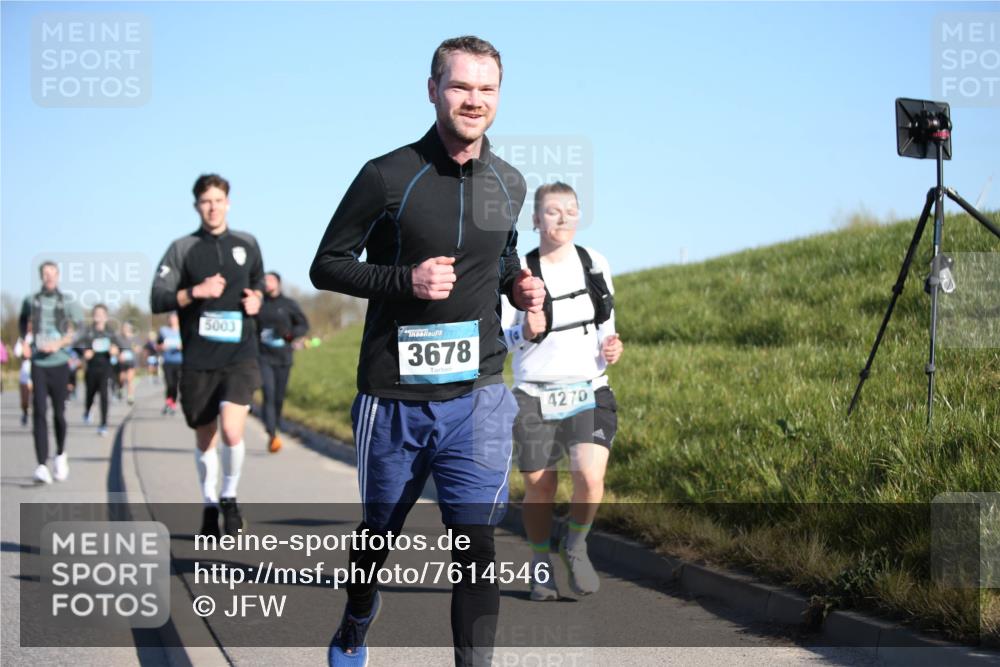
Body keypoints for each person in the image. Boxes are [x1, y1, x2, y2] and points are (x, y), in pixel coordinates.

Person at [310, 35, 544, 667]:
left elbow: (497, 258)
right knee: (378, 537)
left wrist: (519, 284)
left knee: (474, 544)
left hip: (478, 396)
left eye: (486, 88)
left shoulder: (510, 182)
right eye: (461, 86)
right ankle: (358, 616)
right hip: (394, 397)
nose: (474, 100)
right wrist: (403, 281)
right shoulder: (386, 175)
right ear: (433, 89)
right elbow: (326, 266)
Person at [500, 182, 624, 601]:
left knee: (590, 476)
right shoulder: (518, 270)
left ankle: (575, 545)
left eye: (571, 210)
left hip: (589, 388)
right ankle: (539, 562)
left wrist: (613, 346)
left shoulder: (595, 262)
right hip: (533, 393)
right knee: (541, 486)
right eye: (553, 211)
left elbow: (607, 326)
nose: (564, 217)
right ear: (535, 220)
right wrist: (523, 331)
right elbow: (498, 336)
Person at [151, 173, 265, 539]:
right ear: (197, 206)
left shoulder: (247, 243)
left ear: (228, 202)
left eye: (218, 200)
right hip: (199, 360)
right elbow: (158, 298)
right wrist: (194, 291)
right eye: (205, 201)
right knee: (206, 438)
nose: (212, 207)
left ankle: (229, 496)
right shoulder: (182, 248)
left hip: (240, 354)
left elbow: (260, 282)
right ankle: (209, 503)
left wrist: (257, 299)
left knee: (233, 430)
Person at [18, 261, 82, 483]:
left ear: (58, 276)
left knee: (58, 414)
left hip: (59, 361)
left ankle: (61, 454)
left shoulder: (67, 302)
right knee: (39, 410)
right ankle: (41, 465)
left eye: (53, 274)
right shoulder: (31, 301)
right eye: (46, 274)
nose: (49, 277)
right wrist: (24, 342)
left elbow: (79, 328)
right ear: (41, 277)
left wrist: (60, 343)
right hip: (38, 362)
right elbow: (22, 320)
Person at [256, 271, 309, 453]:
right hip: (262, 356)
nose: (266, 282)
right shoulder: (259, 303)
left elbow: (303, 325)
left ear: (278, 283)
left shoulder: (288, 304)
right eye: (264, 280)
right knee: (268, 394)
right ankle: (272, 433)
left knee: (278, 397)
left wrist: (289, 334)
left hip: (283, 357)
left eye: (270, 279)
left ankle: (275, 425)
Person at [78, 304, 122, 436]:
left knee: (104, 396)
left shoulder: (110, 332)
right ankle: (87, 410)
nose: (99, 317)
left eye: (102, 314)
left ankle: (103, 424)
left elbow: (118, 348)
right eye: (97, 314)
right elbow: (79, 347)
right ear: (93, 316)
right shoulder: (88, 332)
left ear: (106, 317)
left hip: (105, 368)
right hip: (91, 368)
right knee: (90, 395)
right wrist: (85, 353)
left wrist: (115, 351)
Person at [158, 313, 184, 415]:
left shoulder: (183, 329)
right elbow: (157, 345)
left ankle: (172, 404)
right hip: (168, 361)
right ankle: (169, 403)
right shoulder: (163, 331)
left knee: (176, 385)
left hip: (180, 361)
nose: (172, 320)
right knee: (170, 384)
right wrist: (161, 347)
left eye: (174, 318)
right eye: (171, 318)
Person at [117, 321, 141, 405]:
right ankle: (120, 387)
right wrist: (119, 355)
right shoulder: (119, 338)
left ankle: (130, 396)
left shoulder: (135, 338)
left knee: (130, 379)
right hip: (122, 362)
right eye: (124, 327)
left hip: (131, 361)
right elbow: (115, 349)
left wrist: (137, 349)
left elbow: (138, 348)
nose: (126, 329)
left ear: (131, 329)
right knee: (122, 378)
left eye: (127, 327)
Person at [15, 334, 33, 426]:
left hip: (37, 368)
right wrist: (23, 346)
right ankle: (25, 412)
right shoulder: (22, 338)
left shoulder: (40, 334)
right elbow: (17, 353)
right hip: (25, 370)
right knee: (25, 398)